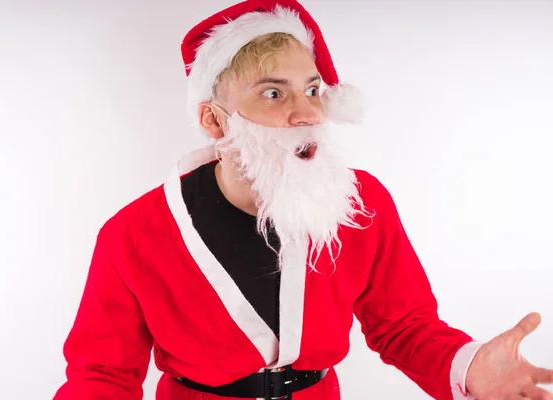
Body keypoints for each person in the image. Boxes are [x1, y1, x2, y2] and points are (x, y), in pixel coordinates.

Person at [53, 1, 553, 399]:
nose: (305, 113)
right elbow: (102, 374)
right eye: (273, 94)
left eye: (312, 90)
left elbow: (403, 325)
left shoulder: (361, 203)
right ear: (214, 120)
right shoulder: (133, 233)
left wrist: (467, 368)